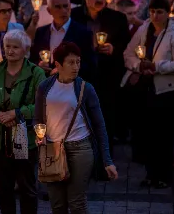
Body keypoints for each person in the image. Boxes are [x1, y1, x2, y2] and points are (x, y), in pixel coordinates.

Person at [34, 41, 118, 214]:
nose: (76, 67)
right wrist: (38, 133)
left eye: (78, 62)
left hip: (80, 149)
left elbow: (99, 125)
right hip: (52, 148)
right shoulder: (45, 87)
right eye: (71, 62)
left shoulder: (85, 88)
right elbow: (37, 118)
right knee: (57, 204)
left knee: (77, 202)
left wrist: (107, 160)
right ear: (58, 64)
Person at [0, 29, 46, 214]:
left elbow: (42, 105)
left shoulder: (36, 73)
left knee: (26, 187)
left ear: (26, 50)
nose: (11, 50)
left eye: (16, 47)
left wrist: (17, 113)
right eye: (7, 46)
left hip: (24, 137)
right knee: (4, 187)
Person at [123, 0, 174, 188]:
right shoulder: (145, 29)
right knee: (148, 133)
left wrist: (156, 66)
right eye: (152, 11)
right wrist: (138, 65)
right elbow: (128, 53)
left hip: (169, 91)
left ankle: (164, 176)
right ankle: (151, 174)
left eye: (159, 12)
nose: (155, 16)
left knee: (164, 133)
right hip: (147, 88)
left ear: (167, 13)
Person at [71, 0, 130, 153]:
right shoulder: (74, 16)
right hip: (81, 74)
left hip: (107, 75)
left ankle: (104, 156)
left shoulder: (118, 18)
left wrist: (113, 48)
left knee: (106, 116)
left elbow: (126, 45)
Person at [30, 0, 96, 83]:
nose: (63, 11)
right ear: (49, 10)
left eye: (66, 6)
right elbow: (33, 59)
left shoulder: (83, 33)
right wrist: (39, 65)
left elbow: (90, 65)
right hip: (46, 86)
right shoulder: (41, 32)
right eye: (58, 7)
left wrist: (66, 70)